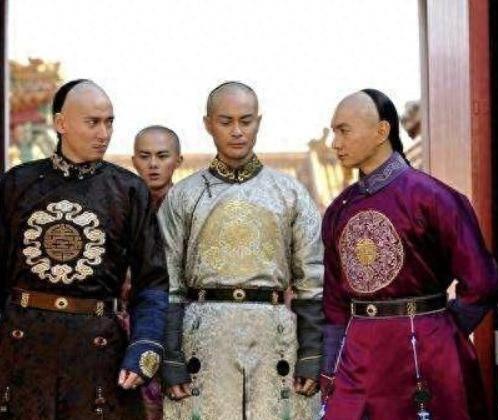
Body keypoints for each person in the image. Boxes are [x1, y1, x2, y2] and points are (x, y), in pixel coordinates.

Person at [320, 88, 498, 419]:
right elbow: (334, 302)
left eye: (343, 131)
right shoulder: (338, 211)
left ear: (381, 131)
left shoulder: (433, 198)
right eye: (334, 132)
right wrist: (329, 368)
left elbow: (483, 282)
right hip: (357, 360)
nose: (335, 143)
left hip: (425, 355)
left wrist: (442, 330)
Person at [0, 79, 168, 418]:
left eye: (109, 122)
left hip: (99, 355)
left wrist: (144, 347)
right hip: (21, 349)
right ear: (61, 124)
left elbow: (152, 283)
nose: (104, 133)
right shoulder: (16, 184)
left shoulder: (129, 191)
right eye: (93, 122)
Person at [160, 81, 323, 419]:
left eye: (246, 121)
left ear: (258, 122)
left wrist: (311, 351)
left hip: (275, 338)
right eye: (226, 121)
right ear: (208, 124)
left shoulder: (290, 192)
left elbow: (311, 278)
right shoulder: (184, 195)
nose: (237, 131)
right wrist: (171, 355)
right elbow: (168, 281)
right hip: (203, 338)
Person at [128, 125, 183, 420]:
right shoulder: (121, 207)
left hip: (182, 325)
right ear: (134, 160)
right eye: (145, 156)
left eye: (162, 156)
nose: (153, 164)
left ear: (178, 160)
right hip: (133, 325)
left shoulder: (191, 209)